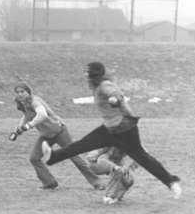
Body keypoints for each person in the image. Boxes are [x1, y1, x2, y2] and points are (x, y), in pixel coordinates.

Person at [41, 62, 182, 199]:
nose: (85, 76)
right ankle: (53, 157)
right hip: (109, 129)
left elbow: (116, 95)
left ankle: (171, 182)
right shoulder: (96, 87)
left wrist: (115, 99)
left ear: (93, 75)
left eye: (87, 73)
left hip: (124, 129)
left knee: (143, 158)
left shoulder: (105, 85)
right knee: (81, 145)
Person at [10, 82, 104, 190]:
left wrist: (28, 126)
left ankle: (97, 182)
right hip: (46, 135)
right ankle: (50, 183)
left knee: (74, 157)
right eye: (17, 92)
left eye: (22, 92)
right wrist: (17, 130)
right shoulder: (23, 103)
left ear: (28, 92)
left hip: (59, 132)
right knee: (34, 158)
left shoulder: (35, 101)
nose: (20, 94)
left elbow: (42, 115)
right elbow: (26, 116)